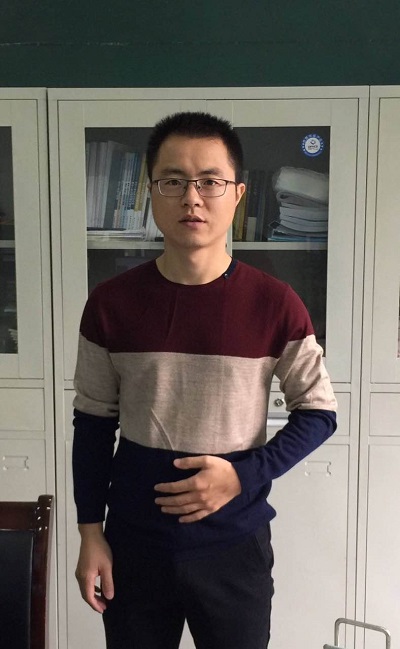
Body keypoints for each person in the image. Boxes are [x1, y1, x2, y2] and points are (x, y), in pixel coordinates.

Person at [73, 111, 337, 649]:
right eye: (173, 181)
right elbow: (93, 424)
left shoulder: (275, 303)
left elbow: (319, 413)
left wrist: (242, 476)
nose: (191, 198)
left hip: (234, 546)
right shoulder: (110, 303)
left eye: (210, 181)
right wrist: (90, 532)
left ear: (237, 194)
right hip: (133, 547)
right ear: (152, 192)